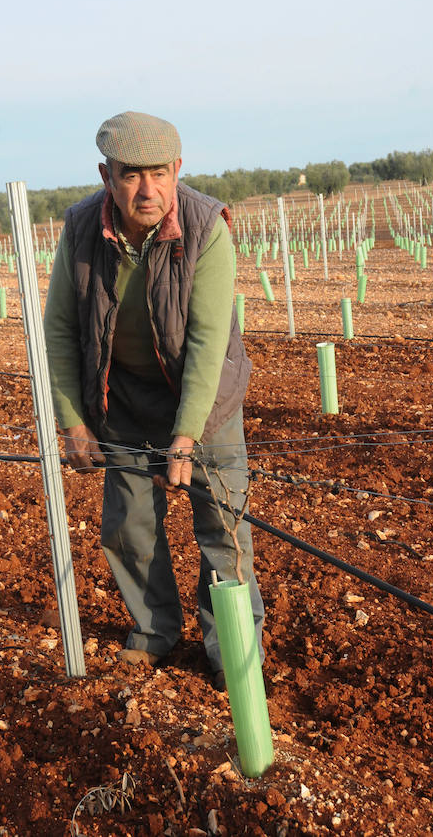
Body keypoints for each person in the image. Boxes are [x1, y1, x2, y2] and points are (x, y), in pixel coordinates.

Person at [44, 110, 264, 689]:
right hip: (123, 401)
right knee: (130, 526)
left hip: (205, 398)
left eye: (160, 173)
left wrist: (186, 439)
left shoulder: (205, 226)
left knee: (221, 523)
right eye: (131, 174)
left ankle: (233, 653)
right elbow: (61, 329)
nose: (148, 189)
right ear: (106, 174)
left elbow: (208, 342)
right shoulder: (82, 228)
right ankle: (154, 630)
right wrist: (72, 422)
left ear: (178, 170)